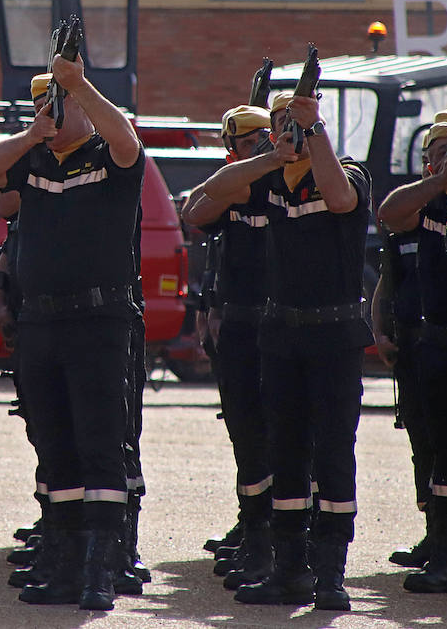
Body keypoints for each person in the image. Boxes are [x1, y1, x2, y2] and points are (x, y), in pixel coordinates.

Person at [0, 54, 144, 612]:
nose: (50, 110)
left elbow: (127, 140)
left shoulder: (108, 155)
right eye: (43, 102)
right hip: (41, 320)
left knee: (99, 444)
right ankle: (66, 564)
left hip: (98, 320)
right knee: (55, 445)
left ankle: (99, 570)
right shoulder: (34, 158)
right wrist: (32, 131)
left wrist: (79, 86)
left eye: (58, 103)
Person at [198, 89, 371, 612]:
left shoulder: (349, 172)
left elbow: (340, 199)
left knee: (334, 451)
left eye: (292, 124)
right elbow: (208, 195)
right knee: (287, 451)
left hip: (334, 336)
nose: (288, 132)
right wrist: (270, 155)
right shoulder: (270, 178)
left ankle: (331, 573)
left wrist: (312, 131)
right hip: (281, 336)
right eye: (281, 124)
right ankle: (290, 568)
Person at [378, 118, 447, 594]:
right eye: (441, 151)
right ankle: (439, 536)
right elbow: (389, 270)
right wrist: (379, 330)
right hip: (422, 347)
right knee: (429, 445)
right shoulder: (422, 205)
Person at [181, 105, 274, 590]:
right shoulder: (234, 183)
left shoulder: (297, 181)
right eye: (249, 140)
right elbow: (196, 213)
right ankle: (256, 529)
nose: (261, 144)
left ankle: (285, 539)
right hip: (238, 323)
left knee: (288, 435)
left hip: (281, 325)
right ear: (231, 149)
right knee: (246, 432)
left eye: (266, 135)